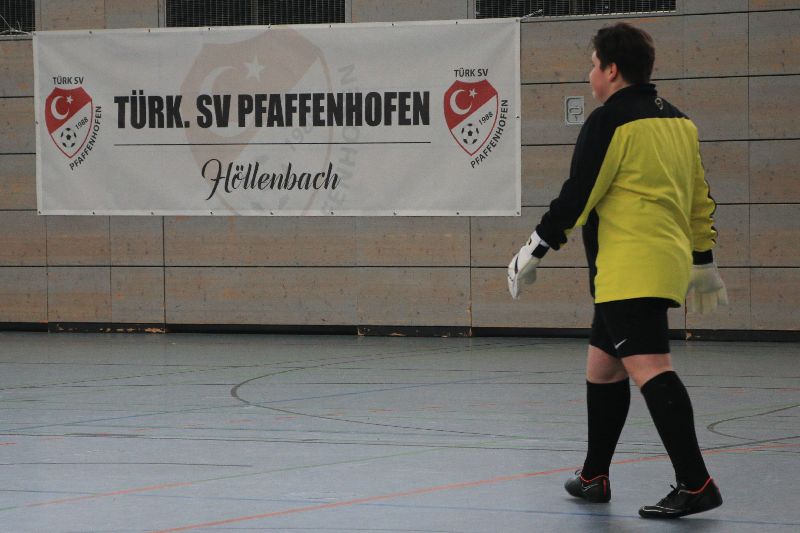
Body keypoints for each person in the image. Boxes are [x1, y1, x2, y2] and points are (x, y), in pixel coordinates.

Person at [507, 22, 728, 518]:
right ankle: (593, 476)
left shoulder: (609, 122)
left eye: (592, 65)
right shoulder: (680, 122)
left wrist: (535, 247)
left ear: (611, 69)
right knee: (603, 368)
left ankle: (696, 483)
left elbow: (579, 195)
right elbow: (700, 200)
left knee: (651, 369)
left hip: (630, 268)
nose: (589, 75)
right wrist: (703, 259)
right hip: (655, 266)